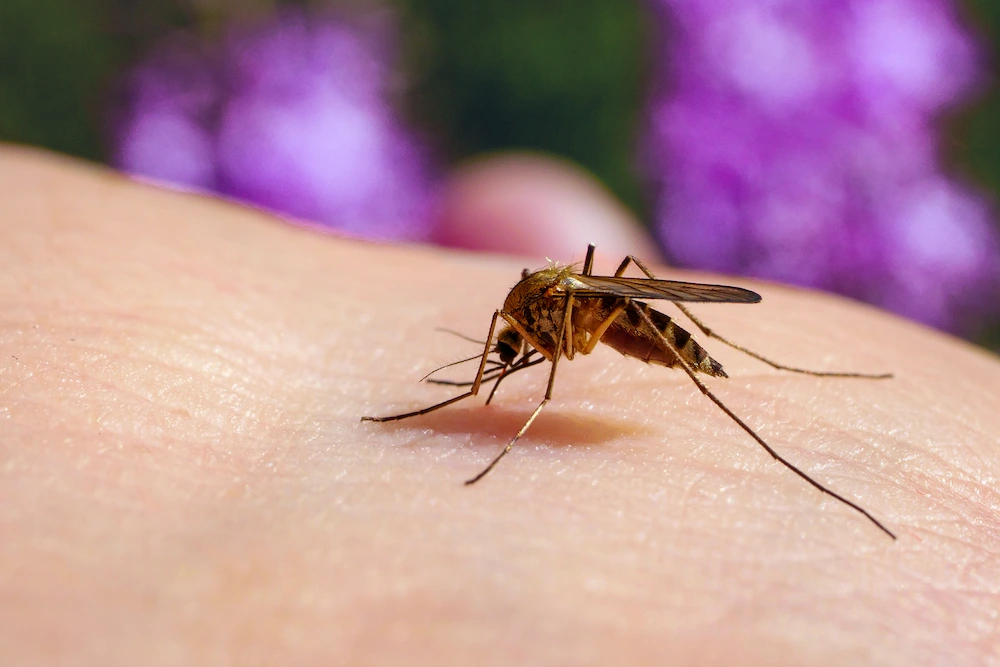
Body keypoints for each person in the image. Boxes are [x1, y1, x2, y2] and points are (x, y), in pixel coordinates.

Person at [2, 144, 997, 664]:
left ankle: (766, 402)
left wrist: (516, 413)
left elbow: (566, 325)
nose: (511, 349)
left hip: (628, 315)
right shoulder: (521, 309)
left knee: (628, 289)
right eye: (509, 350)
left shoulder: (555, 312)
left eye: (510, 350)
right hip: (583, 305)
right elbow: (516, 327)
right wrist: (481, 377)